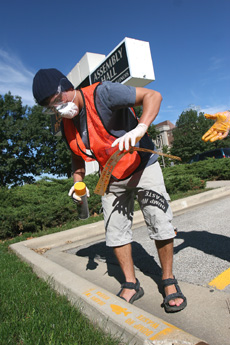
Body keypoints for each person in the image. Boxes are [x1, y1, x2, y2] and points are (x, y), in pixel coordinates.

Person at [32, 68, 187, 313]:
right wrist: (78, 183)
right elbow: (76, 157)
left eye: (57, 101)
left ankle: (168, 280)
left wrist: (140, 129)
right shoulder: (66, 124)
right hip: (112, 175)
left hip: (142, 165)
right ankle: (131, 283)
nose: (58, 110)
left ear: (67, 86)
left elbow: (153, 96)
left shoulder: (103, 93)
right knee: (115, 231)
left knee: (160, 222)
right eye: (51, 108)